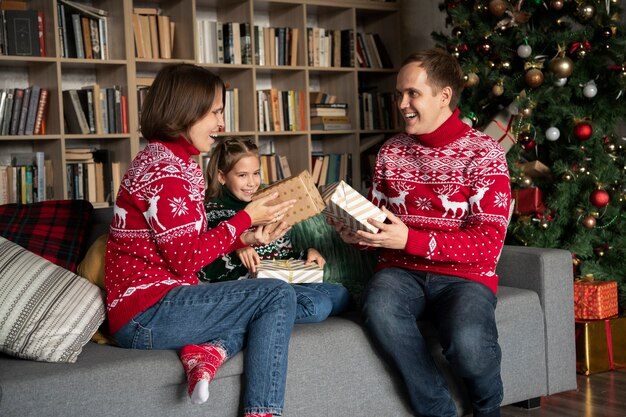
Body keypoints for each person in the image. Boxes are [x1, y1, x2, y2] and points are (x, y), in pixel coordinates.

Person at [105, 63, 299, 417]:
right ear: (184, 111)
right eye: (215, 112)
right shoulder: (163, 170)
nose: (221, 124)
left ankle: (208, 352)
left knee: (277, 301)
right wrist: (244, 217)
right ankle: (263, 412)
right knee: (277, 294)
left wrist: (245, 236)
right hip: (145, 313)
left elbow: (187, 247)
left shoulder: (179, 162)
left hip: (166, 300)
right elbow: (185, 260)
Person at [328, 48, 511, 417]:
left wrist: (410, 239)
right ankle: (438, 411)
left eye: (413, 93)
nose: (402, 104)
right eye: (399, 94)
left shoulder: (484, 154)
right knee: (378, 307)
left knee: (469, 345)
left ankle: (487, 407)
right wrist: (360, 235)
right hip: (399, 270)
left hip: (465, 276)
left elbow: (488, 245)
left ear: (444, 96)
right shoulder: (391, 152)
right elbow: (380, 221)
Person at [199, 136, 350, 324]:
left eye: (256, 173)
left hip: (280, 282)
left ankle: (271, 310)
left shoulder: (267, 205)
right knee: (317, 305)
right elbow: (204, 270)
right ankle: (244, 318)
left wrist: (305, 254)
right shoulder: (212, 211)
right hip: (248, 290)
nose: (252, 182)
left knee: (341, 295)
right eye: (242, 175)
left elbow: (278, 256)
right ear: (222, 176)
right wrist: (237, 247)